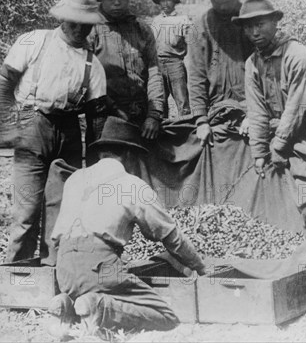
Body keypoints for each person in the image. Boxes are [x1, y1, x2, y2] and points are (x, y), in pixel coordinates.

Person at [46, 117, 206, 337]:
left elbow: (56, 237)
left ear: (102, 153)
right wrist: (201, 267)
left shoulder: (75, 178)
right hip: (99, 265)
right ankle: (99, 307)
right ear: (130, 155)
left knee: (99, 286)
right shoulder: (132, 185)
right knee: (165, 315)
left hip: (63, 269)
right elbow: (170, 236)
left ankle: (66, 304)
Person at [0, 0, 111, 264]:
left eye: (87, 26)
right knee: (27, 210)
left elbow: (97, 117)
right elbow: (4, 82)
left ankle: (54, 274)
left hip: (69, 132)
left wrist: (96, 165)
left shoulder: (92, 64)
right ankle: (18, 276)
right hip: (32, 125)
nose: (80, 30)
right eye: (75, 23)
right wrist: (8, 124)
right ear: (62, 18)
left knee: (61, 210)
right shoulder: (34, 41)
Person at [233, 0, 306, 180]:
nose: (254, 33)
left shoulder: (299, 57)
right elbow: (257, 112)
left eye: (260, 25)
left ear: (275, 22)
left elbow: (297, 109)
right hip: (280, 129)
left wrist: (278, 146)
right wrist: (260, 153)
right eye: (248, 27)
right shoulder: (252, 63)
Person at [87, 0, 165, 164]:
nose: (116, 2)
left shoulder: (142, 30)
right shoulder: (90, 30)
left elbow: (154, 72)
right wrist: (113, 111)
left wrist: (154, 115)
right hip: (105, 119)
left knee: (145, 173)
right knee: (106, 175)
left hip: (142, 117)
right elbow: (85, 79)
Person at [188, 0, 254, 146]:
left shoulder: (252, 19)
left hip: (252, 105)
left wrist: (255, 113)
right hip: (215, 109)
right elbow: (196, 75)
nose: (223, 2)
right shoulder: (200, 26)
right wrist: (201, 120)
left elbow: (267, 73)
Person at [150, 0, 193, 118]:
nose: (165, 4)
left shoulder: (183, 19)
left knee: (182, 102)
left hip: (175, 63)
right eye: (162, 1)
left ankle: (185, 132)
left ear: (174, 2)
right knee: (159, 103)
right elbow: (150, 44)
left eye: (168, 0)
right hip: (158, 64)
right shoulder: (156, 20)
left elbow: (192, 43)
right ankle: (162, 134)